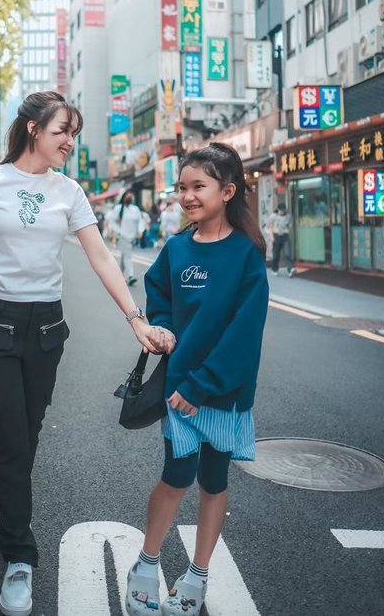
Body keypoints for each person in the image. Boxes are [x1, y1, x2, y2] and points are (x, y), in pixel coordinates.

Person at [0, 91, 171, 616]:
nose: (69, 142)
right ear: (32, 129)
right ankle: (20, 557)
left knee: (30, 429)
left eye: (73, 133)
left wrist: (135, 318)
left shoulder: (69, 191)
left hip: (45, 330)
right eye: (62, 130)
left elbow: (100, 257)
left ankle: (8, 506)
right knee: (8, 436)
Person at [124, 143, 269, 616]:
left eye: (198, 186)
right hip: (180, 387)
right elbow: (159, 293)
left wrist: (202, 385)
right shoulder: (177, 246)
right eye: (182, 187)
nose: (187, 195)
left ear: (227, 191)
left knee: (213, 478)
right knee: (176, 475)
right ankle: (146, 565)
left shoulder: (247, 255)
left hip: (219, 393)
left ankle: (198, 574)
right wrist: (162, 327)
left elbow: (243, 335)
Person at [108, 190, 144, 285]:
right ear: (123, 198)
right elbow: (112, 222)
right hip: (123, 237)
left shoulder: (135, 209)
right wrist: (119, 231)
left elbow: (140, 221)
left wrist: (140, 231)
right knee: (128, 256)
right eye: (127, 197)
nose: (129, 199)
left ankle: (118, 275)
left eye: (130, 197)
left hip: (132, 237)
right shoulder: (118, 208)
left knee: (124, 256)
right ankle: (130, 276)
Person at [267, 202, 295, 277]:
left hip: (285, 236)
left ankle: (290, 269)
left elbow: (290, 225)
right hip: (276, 236)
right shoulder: (273, 216)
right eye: (281, 210)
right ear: (278, 209)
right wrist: (271, 237)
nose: (282, 212)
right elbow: (269, 227)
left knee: (287, 253)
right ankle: (274, 269)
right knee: (276, 255)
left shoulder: (288, 216)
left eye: (284, 210)